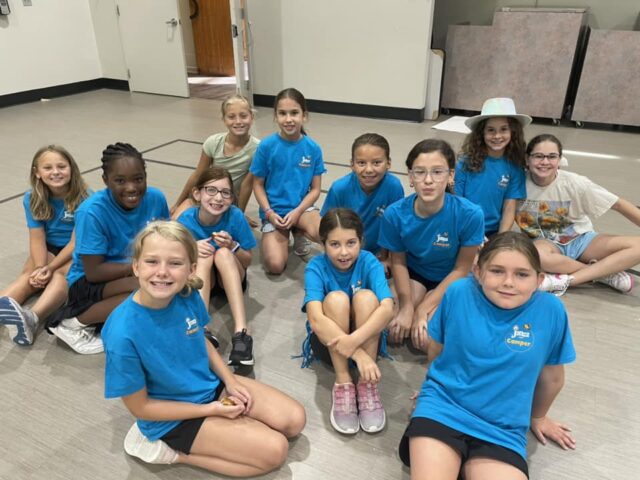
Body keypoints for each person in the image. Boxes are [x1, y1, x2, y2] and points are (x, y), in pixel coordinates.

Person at [102, 221, 305, 476]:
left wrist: (230, 381)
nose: (162, 272)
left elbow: (200, 340)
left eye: (175, 263)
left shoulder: (186, 295)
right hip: (171, 419)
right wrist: (211, 410)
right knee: (275, 451)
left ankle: (223, 431)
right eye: (152, 261)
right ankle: (173, 454)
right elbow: (140, 408)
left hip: (207, 386)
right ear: (136, 266)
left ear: (192, 269)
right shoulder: (122, 334)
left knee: (294, 420)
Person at [399, 232, 576, 480]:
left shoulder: (551, 311)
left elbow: (553, 378)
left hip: (502, 428)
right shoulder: (458, 293)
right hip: (444, 408)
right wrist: (430, 389)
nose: (508, 282)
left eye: (522, 274)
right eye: (497, 271)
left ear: (539, 280)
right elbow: (436, 350)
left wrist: (538, 416)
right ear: (478, 271)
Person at [46, 142, 169, 354]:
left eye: (138, 179)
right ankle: (73, 323)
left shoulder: (156, 198)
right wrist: (138, 268)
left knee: (167, 286)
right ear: (105, 180)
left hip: (137, 270)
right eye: (120, 180)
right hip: (89, 281)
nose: (131, 188)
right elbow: (94, 272)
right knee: (148, 289)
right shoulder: (92, 212)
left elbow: (166, 240)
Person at [379, 139, 484, 352]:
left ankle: (430, 304)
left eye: (437, 172)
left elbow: (462, 269)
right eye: (420, 172)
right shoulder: (394, 214)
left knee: (427, 340)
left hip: (450, 279)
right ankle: (416, 301)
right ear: (410, 177)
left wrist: (423, 309)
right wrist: (407, 306)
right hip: (415, 274)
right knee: (391, 329)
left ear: (451, 176)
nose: (428, 180)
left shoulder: (470, 214)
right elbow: (398, 261)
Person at [302, 208, 393, 435]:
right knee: (336, 299)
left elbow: (388, 308)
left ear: (361, 241)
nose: (344, 252)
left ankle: (366, 383)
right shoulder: (315, 267)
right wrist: (358, 354)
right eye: (335, 244)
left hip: (365, 341)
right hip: (329, 344)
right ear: (323, 244)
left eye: (351, 243)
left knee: (367, 297)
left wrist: (354, 343)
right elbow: (315, 318)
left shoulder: (369, 261)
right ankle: (343, 381)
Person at [516, 133, 640, 295]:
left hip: (581, 240)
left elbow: (618, 204)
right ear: (527, 159)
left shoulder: (575, 183)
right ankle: (604, 274)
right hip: (546, 244)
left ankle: (567, 280)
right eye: (538, 156)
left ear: (559, 160)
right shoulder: (517, 184)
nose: (545, 162)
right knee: (536, 255)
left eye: (552, 156)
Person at [0, 145, 90, 346]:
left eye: (61, 166)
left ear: (71, 168)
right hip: (49, 247)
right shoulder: (32, 197)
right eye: (48, 168)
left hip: (76, 249)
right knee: (29, 277)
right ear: (37, 173)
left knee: (60, 276)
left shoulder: (85, 198)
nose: (55, 172)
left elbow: (76, 243)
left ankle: (32, 318)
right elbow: (37, 237)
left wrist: (51, 268)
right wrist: (41, 267)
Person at [177, 166, 257, 366]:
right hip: (203, 280)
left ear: (231, 198)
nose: (218, 198)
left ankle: (242, 332)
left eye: (225, 193)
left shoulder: (235, 216)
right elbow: (174, 257)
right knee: (203, 253)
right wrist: (191, 247)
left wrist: (232, 245)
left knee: (221, 252)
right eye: (211, 190)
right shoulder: (186, 220)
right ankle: (202, 327)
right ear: (197, 193)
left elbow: (248, 260)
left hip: (230, 275)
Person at [250, 88, 325, 273]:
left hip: (302, 209)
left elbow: (316, 190)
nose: (288, 119)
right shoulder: (266, 146)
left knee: (325, 233)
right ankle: (280, 233)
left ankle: (299, 231)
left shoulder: (313, 148)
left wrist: (298, 212)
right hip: (274, 212)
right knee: (275, 266)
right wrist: (268, 213)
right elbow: (257, 184)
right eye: (282, 113)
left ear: (304, 115)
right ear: (275, 116)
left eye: (294, 113)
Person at [171, 94, 260, 225]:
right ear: (224, 120)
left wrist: (239, 214)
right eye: (231, 117)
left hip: (226, 202)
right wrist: (177, 204)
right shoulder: (213, 142)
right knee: (175, 224)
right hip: (204, 196)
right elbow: (197, 175)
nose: (238, 121)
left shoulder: (258, 149)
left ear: (252, 117)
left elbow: (246, 186)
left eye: (243, 116)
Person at [320, 133, 404, 271]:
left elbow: (394, 227)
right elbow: (327, 228)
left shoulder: (393, 186)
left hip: (379, 254)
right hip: (347, 252)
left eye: (377, 162)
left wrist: (385, 257)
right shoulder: (339, 188)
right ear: (352, 164)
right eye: (361, 163)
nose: (369, 170)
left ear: (388, 163)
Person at [456, 97, 530, 238]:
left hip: (494, 232)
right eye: (490, 130)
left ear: (513, 132)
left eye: (503, 129)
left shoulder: (514, 166)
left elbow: (509, 207)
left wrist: (500, 240)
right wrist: (471, 232)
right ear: (481, 133)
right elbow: (458, 201)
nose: (497, 136)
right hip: (464, 226)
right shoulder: (465, 162)